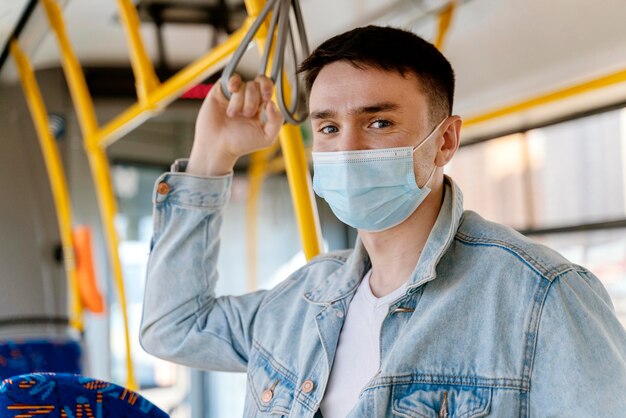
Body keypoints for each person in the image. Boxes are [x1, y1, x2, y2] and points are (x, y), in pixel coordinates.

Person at [140, 26, 626, 417]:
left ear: (446, 141)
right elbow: (172, 326)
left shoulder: (542, 298)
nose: (347, 148)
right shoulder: (301, 301)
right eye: (328, 128)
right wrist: (210, 155)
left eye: (378, 123)